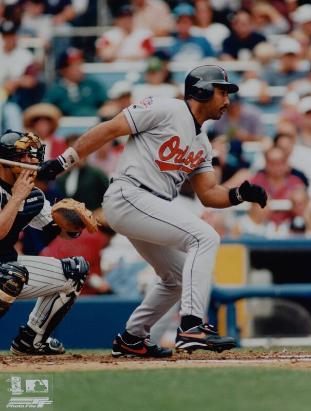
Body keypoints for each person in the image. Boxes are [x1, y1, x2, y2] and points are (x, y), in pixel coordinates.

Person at [38, 64, 267, 358]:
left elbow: (209, 194)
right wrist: (62, 162)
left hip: (149, 205)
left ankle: (132, 338)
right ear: (201, 90)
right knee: (205, 237)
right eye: (222, 92)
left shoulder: (202, 142)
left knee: (176, 278)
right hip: (129, 193)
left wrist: (238, 195)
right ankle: (192, 325)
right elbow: (110, 128)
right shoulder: (165, 108)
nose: (227, 100)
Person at [0, 130, 89, 355]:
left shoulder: (34, 195)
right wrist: (17, 196)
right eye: (24, 156)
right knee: (11, 275)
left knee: (75, 271)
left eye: (34, 156)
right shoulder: (19, 193)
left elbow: (58, 230)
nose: (32, 162)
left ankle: (31, 340)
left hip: (7, 264)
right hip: (6, 272)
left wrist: (74, 224)